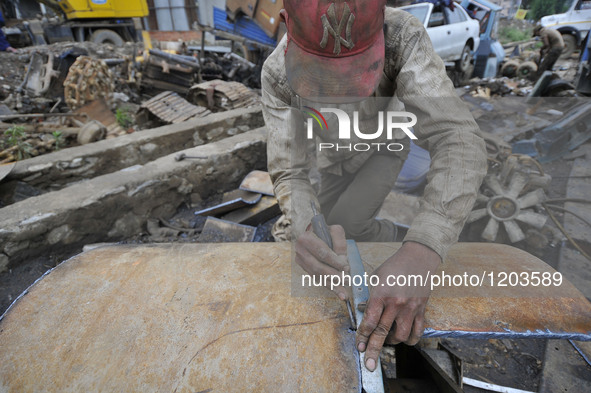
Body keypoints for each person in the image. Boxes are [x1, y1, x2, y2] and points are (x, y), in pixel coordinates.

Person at [261, 0, 487, 373]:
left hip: (385, 145)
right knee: (331, 238)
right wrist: (304, 227)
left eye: (357, 71)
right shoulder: (276, 73)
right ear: (286, 24)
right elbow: (290, 172)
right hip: (332, 158)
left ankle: (403, 238)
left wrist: (422, 250)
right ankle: (387, 238)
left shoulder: (402, 36)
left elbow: (457, 136)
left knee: (349, 223)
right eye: (322, 75)